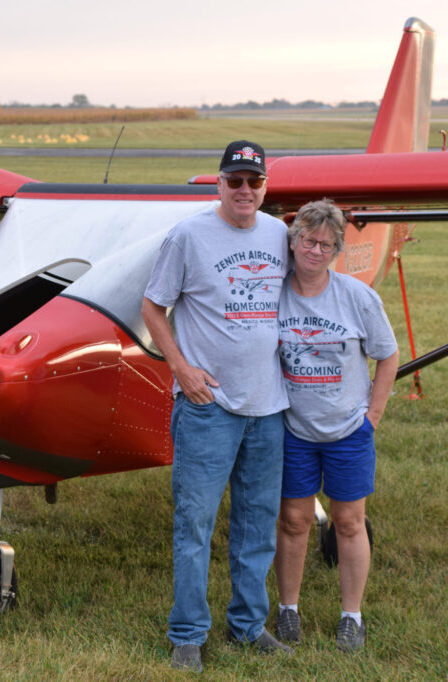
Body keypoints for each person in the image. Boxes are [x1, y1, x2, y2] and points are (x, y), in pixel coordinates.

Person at [142, 140, 293, 673]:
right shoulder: (188, 235)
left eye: (254, 181)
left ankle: (248, 625)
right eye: (235, 181)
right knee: (195, 524)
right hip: (208, 406)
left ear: (265, 186)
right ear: (220, 183)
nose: (244, 190)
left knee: (258, 523)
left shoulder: (278, 234)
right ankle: (188, 634)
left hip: (268, 406)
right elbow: (152, 307)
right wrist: (181, 369)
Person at [272, 199, 399, 653]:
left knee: (348, 521)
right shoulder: (274, 294)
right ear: (293, 242)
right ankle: (288, 608)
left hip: (348, 430)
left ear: (336, 250)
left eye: (326, 245)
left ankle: (351, 616)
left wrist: (372, 417)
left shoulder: (357, 297)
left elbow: (388, 355)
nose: (315, 251)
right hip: (294, 429)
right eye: (308, 241)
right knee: (294, 520)